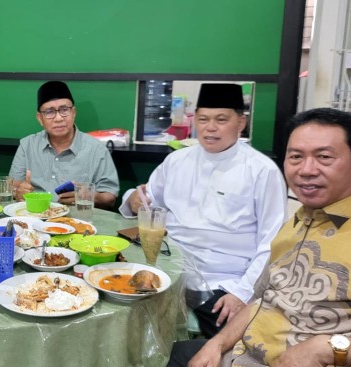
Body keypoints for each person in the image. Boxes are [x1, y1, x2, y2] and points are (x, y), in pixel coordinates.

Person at [119, 108, 351, 367]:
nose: (307, 169)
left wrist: (330, 348)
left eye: (324, 157)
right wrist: (217, 344)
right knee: (141, 365)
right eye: (296, 157)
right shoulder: (300, 221)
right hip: (246, 361)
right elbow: (263, 299)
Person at [119, 83, 286, 337]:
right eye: (203, 119)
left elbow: (273, 243)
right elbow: (145, 199)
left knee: (229, 348)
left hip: (224, 281)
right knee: (123, 315)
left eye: (221, 119)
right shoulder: (177, 161)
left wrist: (241, 293)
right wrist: (132, 199)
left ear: (241, 122)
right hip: (168, 267)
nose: (210, 127)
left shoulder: (262, 171)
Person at [10, 80, 119, 208]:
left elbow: (110, 197)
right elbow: (13, 188)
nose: (58, 118)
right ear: (40, 118)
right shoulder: (27, 145)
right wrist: (18, 192)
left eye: (64, 110)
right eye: (49, 112)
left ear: (73, 113)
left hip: (77, 216)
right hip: (35, 214)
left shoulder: (96, 149)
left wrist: (88, 195)